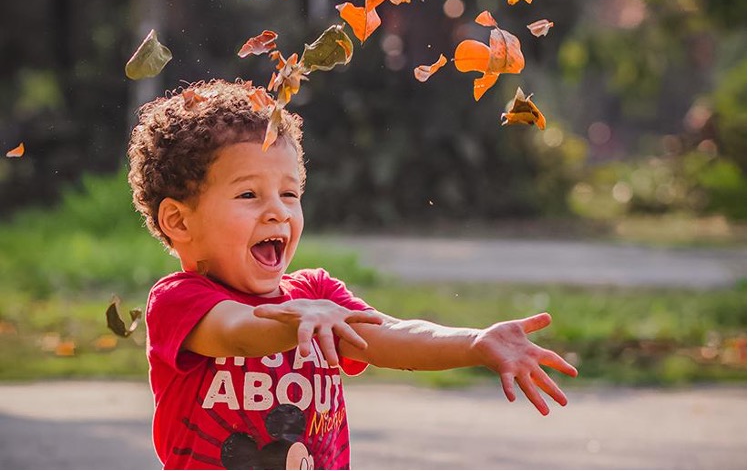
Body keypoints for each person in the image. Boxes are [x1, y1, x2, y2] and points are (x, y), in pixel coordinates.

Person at [127, 79, 578, 470]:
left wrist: (473, 343)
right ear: (179, 222)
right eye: (249, 194)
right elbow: (238, 332)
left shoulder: (316, 292)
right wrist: (301, 315)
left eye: (289, 193)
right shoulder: (179, 300)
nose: (277, 212)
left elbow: (389, 335)